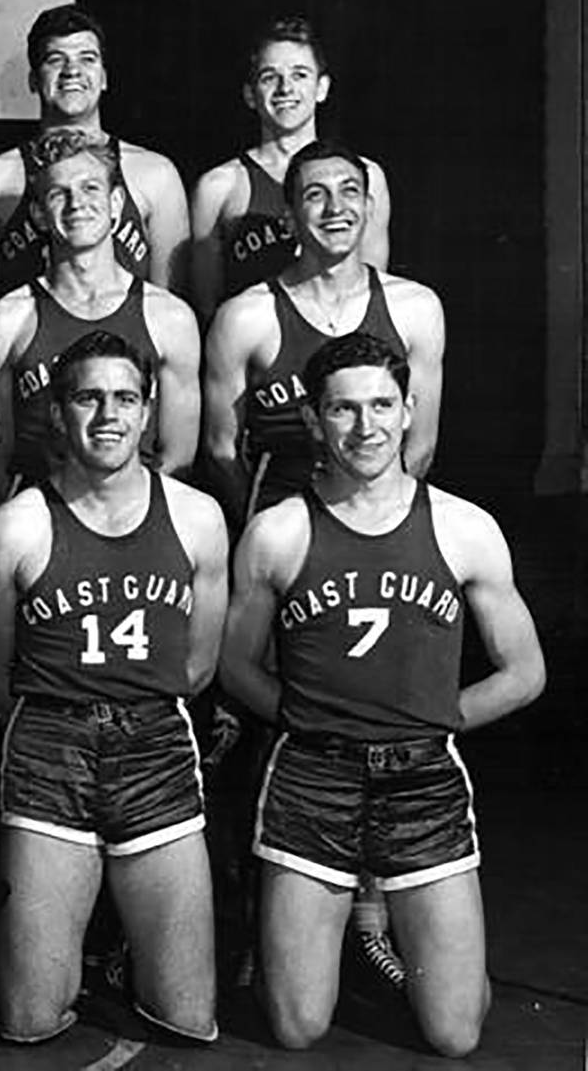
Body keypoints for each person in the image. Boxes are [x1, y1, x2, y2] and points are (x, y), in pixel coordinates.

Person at [219, 334, 545, 1056]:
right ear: (313, 420)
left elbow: (525, 671)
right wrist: (311, 722)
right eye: (343, 409)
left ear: (408, 411)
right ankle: (321, 922)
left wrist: (435, 721)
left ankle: (384, 918)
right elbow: (235, 665)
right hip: (312, 776)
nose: (364, 427)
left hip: (424, 777)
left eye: (380, 405)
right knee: (298, 1026)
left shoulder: (464, 527)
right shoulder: (277, 532)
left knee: (456, 1033)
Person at [0, 331, 227, 1045]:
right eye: (88, 396)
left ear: (148, 413)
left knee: (187, 1016)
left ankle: (117, 945)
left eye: (125, 397)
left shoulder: (197, 517)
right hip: (51, 747)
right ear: (58, 411)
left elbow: (200, 664)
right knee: (27, 1021)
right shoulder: (15, 526)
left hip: (155, 744)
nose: (108, 414)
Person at [202, 138, 442, 532]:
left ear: (368, 208)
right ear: (290, 218)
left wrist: (372, 519)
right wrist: (269, 530)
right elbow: (220, 450)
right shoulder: (245, 317)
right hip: (282, 520)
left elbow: (420, 445)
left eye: (349, 192)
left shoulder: (416, 308)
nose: (335, 208)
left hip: (382, 519)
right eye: (316, 195)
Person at [0, 129, 200, 505]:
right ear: (39, 214)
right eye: (59, 193)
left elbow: (178, 458)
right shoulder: (5, 322)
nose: (76, 203)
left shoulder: (169, 318)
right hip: (42, 520)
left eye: (90, 189)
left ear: (115, 202)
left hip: (141, 518)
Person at [0, 3, 190, 326]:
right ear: (33, 80)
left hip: (128, 366)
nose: (72, 71)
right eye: (56, 60)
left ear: (105, 77)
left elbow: (169, 316)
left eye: (87, 59)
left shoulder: (155, 175)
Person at [190, 17, 391, 321]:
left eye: (300, 74)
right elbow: (206, 310)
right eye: (270, 77)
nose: (286, 88)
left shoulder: (365, 177)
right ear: (249, 94)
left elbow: (373, 294)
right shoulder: (219, 187)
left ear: (321, 87)